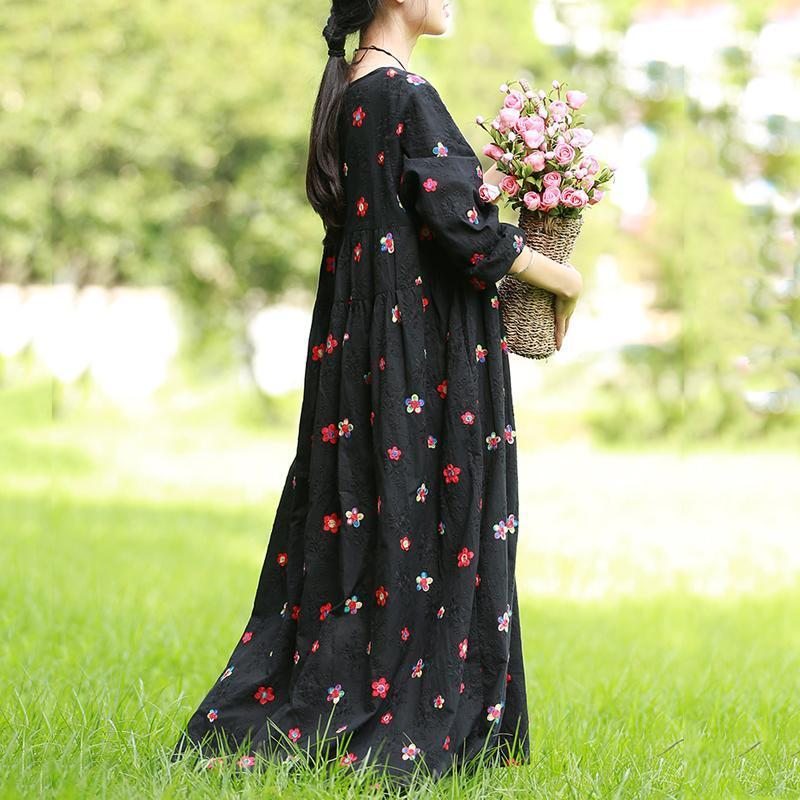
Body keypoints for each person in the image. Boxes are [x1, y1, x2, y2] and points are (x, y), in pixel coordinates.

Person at [171, 0, 583, 786]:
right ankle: (415, 711)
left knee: (373, 527)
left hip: (364, 356)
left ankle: (340, 697)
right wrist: (565, 277)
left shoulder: (351, 91)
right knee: (431, 526)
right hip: (421, 363)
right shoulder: (402, 92)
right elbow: (462, 226)